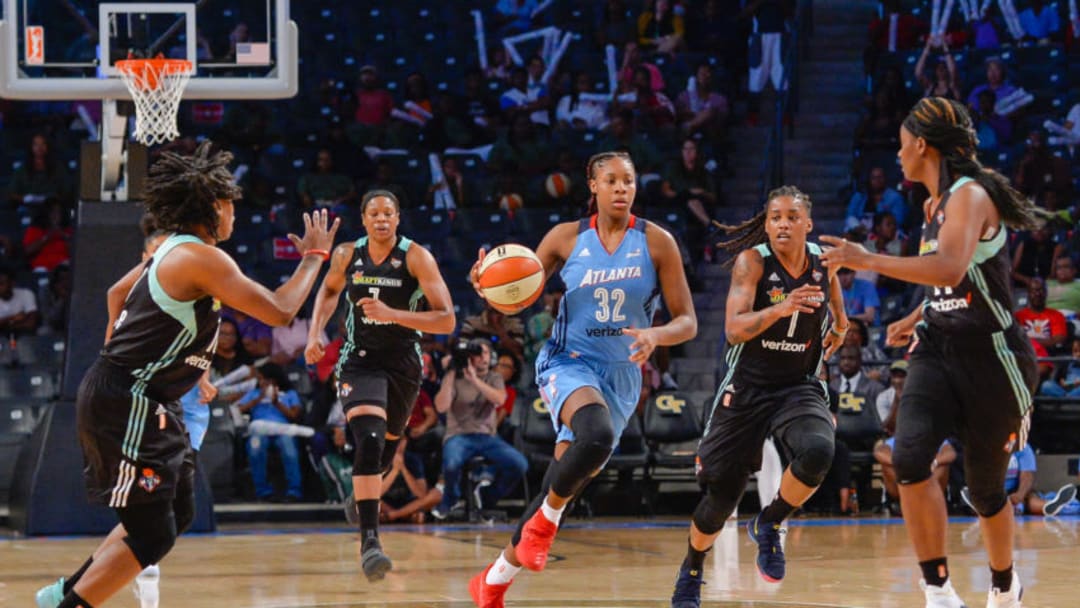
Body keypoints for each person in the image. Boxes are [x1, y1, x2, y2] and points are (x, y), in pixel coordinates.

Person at [35, 142, 339, 608]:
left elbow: (118, 293)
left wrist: (169, 359)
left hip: (142, 394)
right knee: (153, 533)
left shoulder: (172, 247)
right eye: (232, 205)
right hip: (131, 398)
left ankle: (63, 594)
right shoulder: (200, 256)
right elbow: (281, 310)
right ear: (215, 205)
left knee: (177, 509)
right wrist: (315, 257)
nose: (235, 215)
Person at [820, 97, 1042, 607]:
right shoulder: (930, 206)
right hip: (937, 348)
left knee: (987, 491)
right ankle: (937, 587)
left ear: (921, 145)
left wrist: (863, 258)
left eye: (901, 146)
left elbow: (949, 268)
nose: (897, 156)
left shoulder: (970, 196)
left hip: (993, 358)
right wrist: (918, 315)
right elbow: (949, 284)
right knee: (909, 457)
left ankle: (1006, 585)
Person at [468, 151, 697, 607]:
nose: (621, 188)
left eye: (628, 181)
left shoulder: (657, 242)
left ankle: (492, 582)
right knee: (594, 434)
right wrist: (487, 285)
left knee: (561, 487)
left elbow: (688, 321)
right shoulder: (564, 238)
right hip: (568, 361)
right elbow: (517, 296)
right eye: (610, 180)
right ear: (592, 186)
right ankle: (535, 532)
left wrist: (657, 332)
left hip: (622, 374)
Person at [668, 185, 848, 607]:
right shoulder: (753, 262)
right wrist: (780, 309)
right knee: (720, 500)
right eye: (774, 217)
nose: (782, 224)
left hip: (797, 385)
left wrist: (840, 327)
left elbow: (836, 306)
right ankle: (692, 568)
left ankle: (770, 523)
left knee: (820, 451)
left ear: (808, 224)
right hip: (747, 387)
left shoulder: (824, 263)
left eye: (790, 217)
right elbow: (733, 329)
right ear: (766, 224)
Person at [304, 189, 456, 582]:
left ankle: (363, 495)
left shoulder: (416, 257)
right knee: (368, 440)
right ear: (364, 219)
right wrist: (315, 332)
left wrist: (393, 314)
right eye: (375, 213)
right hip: (359, 362)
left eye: (389, 213)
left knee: (386, 449)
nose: (382, 219)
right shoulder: (346, 255)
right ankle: (370, 542)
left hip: (404, 365)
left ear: (398, 218)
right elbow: (330, 290)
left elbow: (446, 320)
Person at [431, 339, 527, 519]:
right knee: (451, 464)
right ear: (469, 357)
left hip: (487, 437)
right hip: (458, 436)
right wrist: (451, 372)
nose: (482, 358)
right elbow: (441, 407)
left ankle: (486, 497)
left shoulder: (494, 378)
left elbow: (499, 399)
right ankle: (450, 498)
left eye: (486, 353)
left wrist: (474, 380)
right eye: (478, 353)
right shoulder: (455, 378)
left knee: (519, 464)